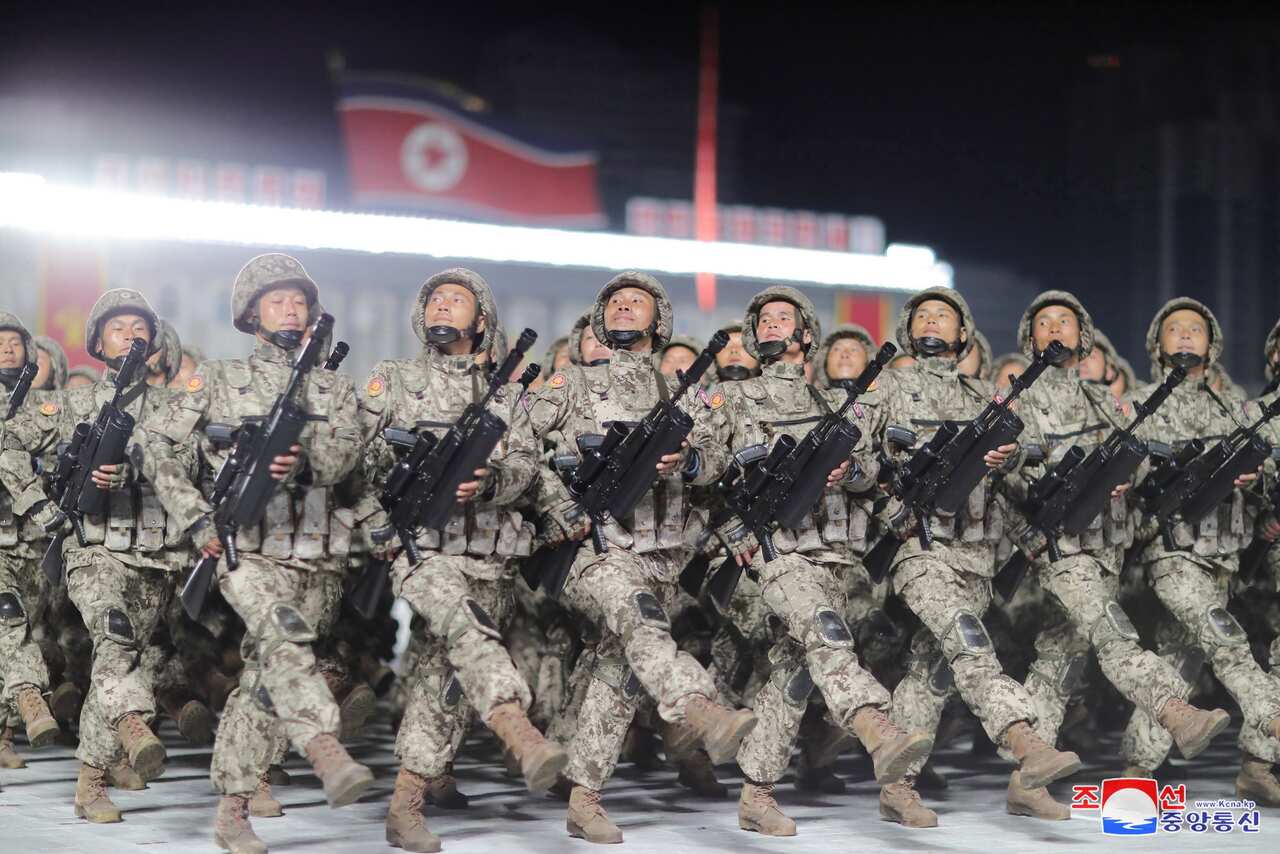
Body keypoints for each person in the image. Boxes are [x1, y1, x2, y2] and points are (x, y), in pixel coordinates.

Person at [142, 254, 375, 853]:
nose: (291, 309)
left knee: (265, 679)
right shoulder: (216, 379)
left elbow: (347, 459)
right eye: (277, 301)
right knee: (285, 643)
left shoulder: (334, 386)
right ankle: (326, 751)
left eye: (299, 300)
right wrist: (196, 519)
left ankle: (232, 807)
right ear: (251, 314)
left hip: (316, 555)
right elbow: (159, 448)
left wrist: (304, 463)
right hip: (245, 549)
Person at [524, 271, 754, 844]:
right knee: (643, 626)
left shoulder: (683, 392)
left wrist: (690, 464)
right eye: (616, 302)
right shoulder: (567, 385)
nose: (625, 307)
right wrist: (560, 503)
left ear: (659, 322)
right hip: (594, 548)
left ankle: (585, 798)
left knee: (620, 669)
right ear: (602, 318)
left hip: (662, 556)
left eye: (638, 303)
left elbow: (721, 458)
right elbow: (513, 447)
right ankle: (699, 709)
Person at [355, 268, 568, 851]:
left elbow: (526, 465)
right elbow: (360, 458)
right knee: (473, 639)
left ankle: (408, 802)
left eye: (458, 300)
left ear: (481, 321)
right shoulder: (392, 379)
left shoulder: (505, 394)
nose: (443, 306)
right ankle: (518, 730)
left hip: (489, 556)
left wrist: (490, 480)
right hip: (422, 550)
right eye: (435, 299)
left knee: (444, 681)